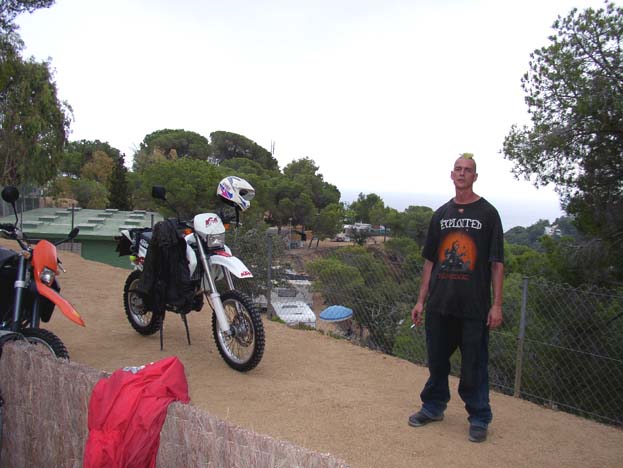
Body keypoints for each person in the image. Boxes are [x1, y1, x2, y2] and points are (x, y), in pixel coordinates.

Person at [408, 153, 504, 443]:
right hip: (439, 304)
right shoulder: (441, 215)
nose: (462, 174)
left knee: (474, 363)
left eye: (468, 170)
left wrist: (497, 304)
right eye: (458, 170)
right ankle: (433, 406)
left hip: (474, 307)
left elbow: (496, 263)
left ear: (475, 177)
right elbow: (429, 262)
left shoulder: (488, 214)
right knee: (437, 361)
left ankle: (479, 416)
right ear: (452, 175)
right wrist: (421, 300)